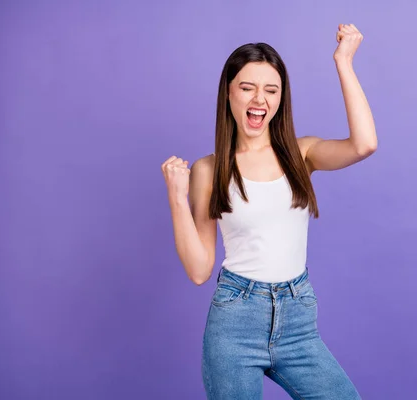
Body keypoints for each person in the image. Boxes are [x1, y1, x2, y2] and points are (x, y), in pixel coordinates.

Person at [161, 23, 377, 400]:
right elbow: (199, 270)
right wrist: (178, 199)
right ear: (228, 94)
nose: (259, 98)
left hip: (298, 321)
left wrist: (343, 62)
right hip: (235, 323)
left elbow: (364, 145)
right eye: (247, 87)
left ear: (280, 99)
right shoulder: (209, 170)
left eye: (271, 90)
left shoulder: (301, 153)